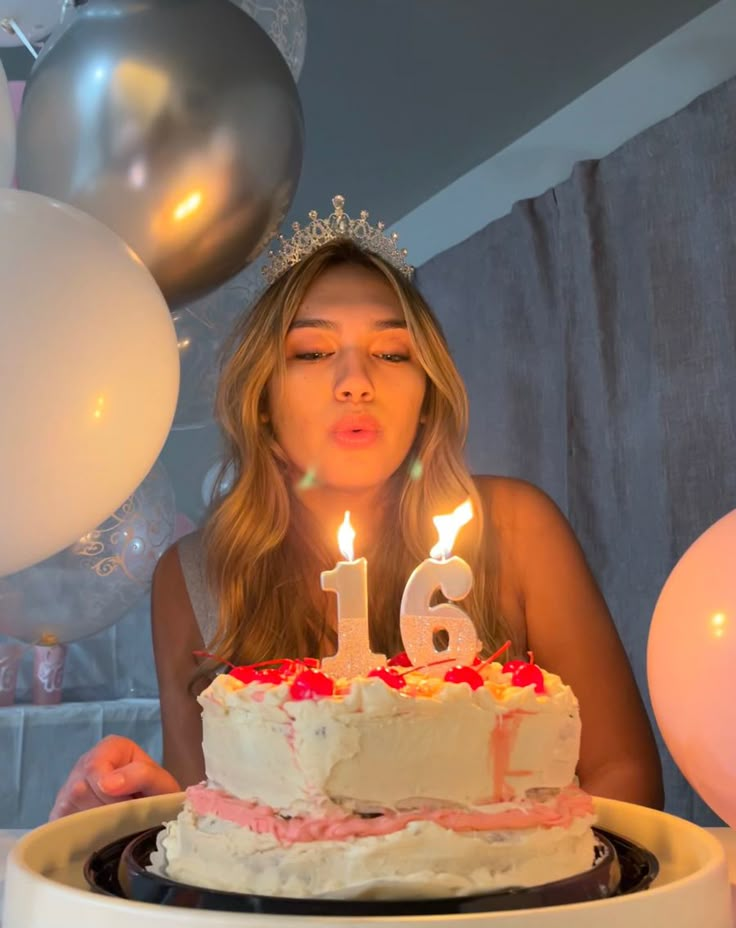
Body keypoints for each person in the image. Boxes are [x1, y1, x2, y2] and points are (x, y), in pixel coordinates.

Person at [50, 198, 664, 820]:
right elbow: (201, 811)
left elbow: (624, 774)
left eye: (393, 353)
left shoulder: (516, 527)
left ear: (427, 394)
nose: (355, 380)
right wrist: (130, 805)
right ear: (261, 397)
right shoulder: (195, 578)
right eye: (312, 353)